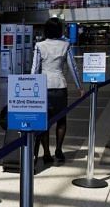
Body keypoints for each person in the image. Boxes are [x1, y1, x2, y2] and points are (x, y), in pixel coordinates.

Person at [31, 17, 84, 164]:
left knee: (44, 122)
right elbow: (73, 67)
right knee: (61, 120)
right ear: (60, 30)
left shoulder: (40, 46)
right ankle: (59, 150)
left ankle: (46, 153)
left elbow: (34, 69)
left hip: (43, 87)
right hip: (60, 86)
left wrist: (29, 88)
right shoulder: (65, 45)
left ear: (46, 30)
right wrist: (79, 86)